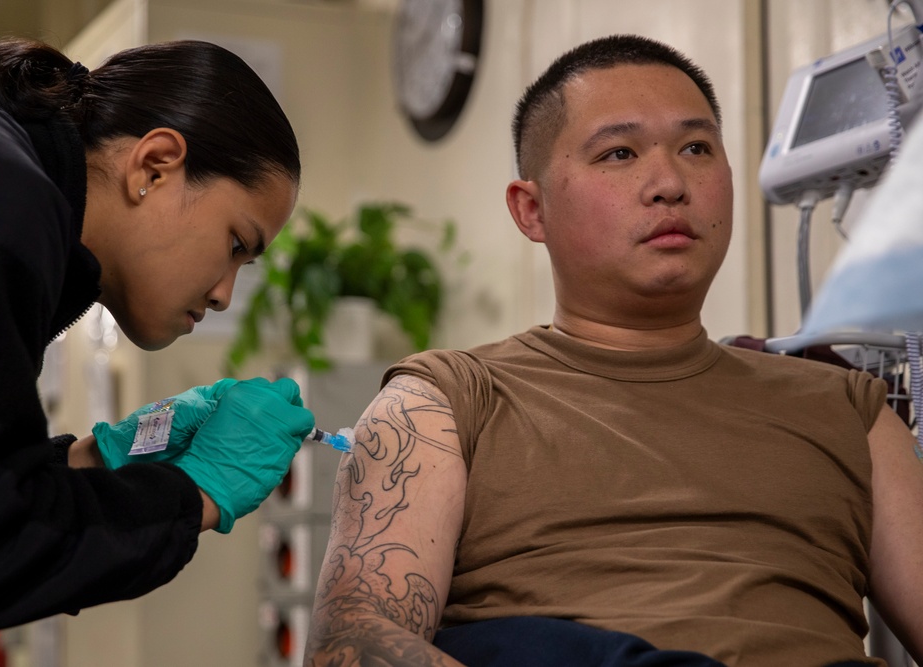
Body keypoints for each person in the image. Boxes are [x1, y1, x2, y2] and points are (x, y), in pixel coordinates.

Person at [304, 34, 923, 666]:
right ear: (531, 209)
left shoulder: (851, 410)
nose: (669, 183)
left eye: (697, 148)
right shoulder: (448, 401)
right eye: (619, 152)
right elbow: (349, 644)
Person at [0, 38, 315, 631]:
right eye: (237, 245)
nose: (223, 295)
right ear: (154, 166)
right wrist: (196, 490)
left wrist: (96, 460)